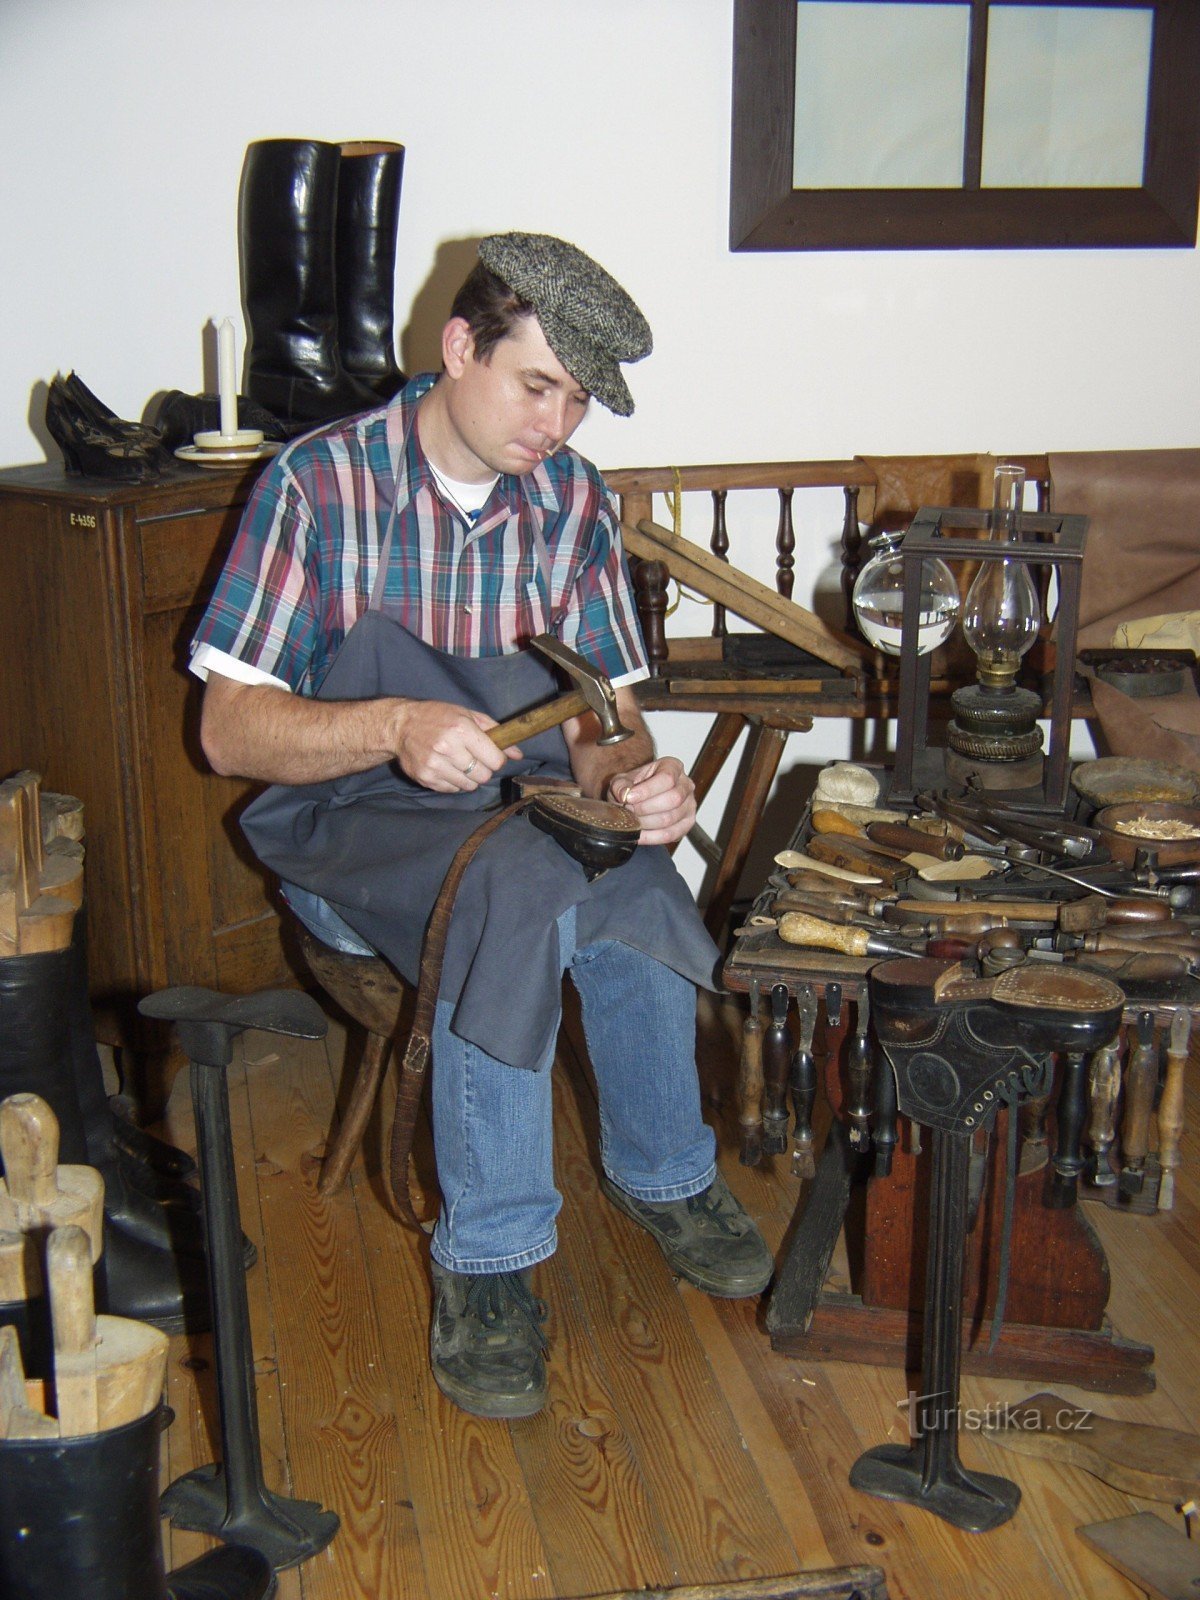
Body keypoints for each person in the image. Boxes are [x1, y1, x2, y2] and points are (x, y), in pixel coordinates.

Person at [190, 232, 772, 1419]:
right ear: (459, 348)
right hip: (344, 812)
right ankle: (493, 1255)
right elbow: (229, 732)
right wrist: (392, 723)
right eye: (537, 384)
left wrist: (635, 785)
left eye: (578, 403)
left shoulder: (570, 501)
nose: (555, 427)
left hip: (514, 807)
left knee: (641, 878)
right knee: (518, 891)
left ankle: (665, 1171)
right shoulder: (319, 483)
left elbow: (605, 722)